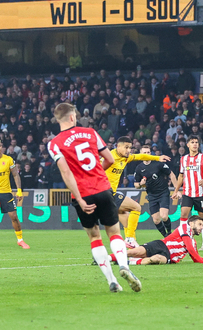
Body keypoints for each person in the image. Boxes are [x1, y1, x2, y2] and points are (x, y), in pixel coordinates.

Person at [47, 103, 141, 293]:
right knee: (114, 232)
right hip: (103, 188)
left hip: (82, 194)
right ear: (73, 117)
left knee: (94, 236)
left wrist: (80, 199)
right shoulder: (90, 132)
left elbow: (65, 173)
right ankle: (124, 266)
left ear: (58, 119)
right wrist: (97, 172)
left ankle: (111, 281)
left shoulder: (54, 143)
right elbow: (110, 160)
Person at [105, 136, 169, 248]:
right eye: (126, 147)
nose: (129, 150)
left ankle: (129, 245)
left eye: (130, 148)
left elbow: (140, 156)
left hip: (110, 193)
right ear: (118, 146)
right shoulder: (109, 157)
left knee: (125, 218)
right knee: (136, 207)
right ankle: (130, 239)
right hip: (106, 193)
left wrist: (157, 158)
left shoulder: (125, 157)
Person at [109, 216, 203, 265]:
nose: (201, 227)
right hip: (161, 245)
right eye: (200, 224)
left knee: (155, 259)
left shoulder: (194, 242)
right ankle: (107, 258)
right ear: (191, 223)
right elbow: (191, 250)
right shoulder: (184, 228)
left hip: (168, 257)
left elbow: (196, 258)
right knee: (134, 251)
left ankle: (128, 262)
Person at [0, 139, 30, 250]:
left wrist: (19, 190)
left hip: (6, 193)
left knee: (14, 216)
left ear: (2, 147)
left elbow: (15, 175)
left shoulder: (8, 160)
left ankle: (20, 240)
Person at [172, 135, 203, 251]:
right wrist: (176, 191)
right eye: (192, 142)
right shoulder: (183, 159)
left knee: (202, 217)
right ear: (188, 145)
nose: (195, 144)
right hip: (187, 192)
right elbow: (180, 176)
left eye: (196, 142)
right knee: (183, 214)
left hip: (200, 194)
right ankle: (183, 240)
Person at [134, 145, 178, 237]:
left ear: (151, 153)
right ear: (141, 154)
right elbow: (136, 185)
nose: (147, 154)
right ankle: (166, 237)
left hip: (163, 193)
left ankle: (170, 234)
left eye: (148, 152)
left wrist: (176, 190)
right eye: (144, 153)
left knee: (164, 216)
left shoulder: (158, 163)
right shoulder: (139, 168)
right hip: (151, 195)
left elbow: (172, 175)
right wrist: (141, 184)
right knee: (156, 220)